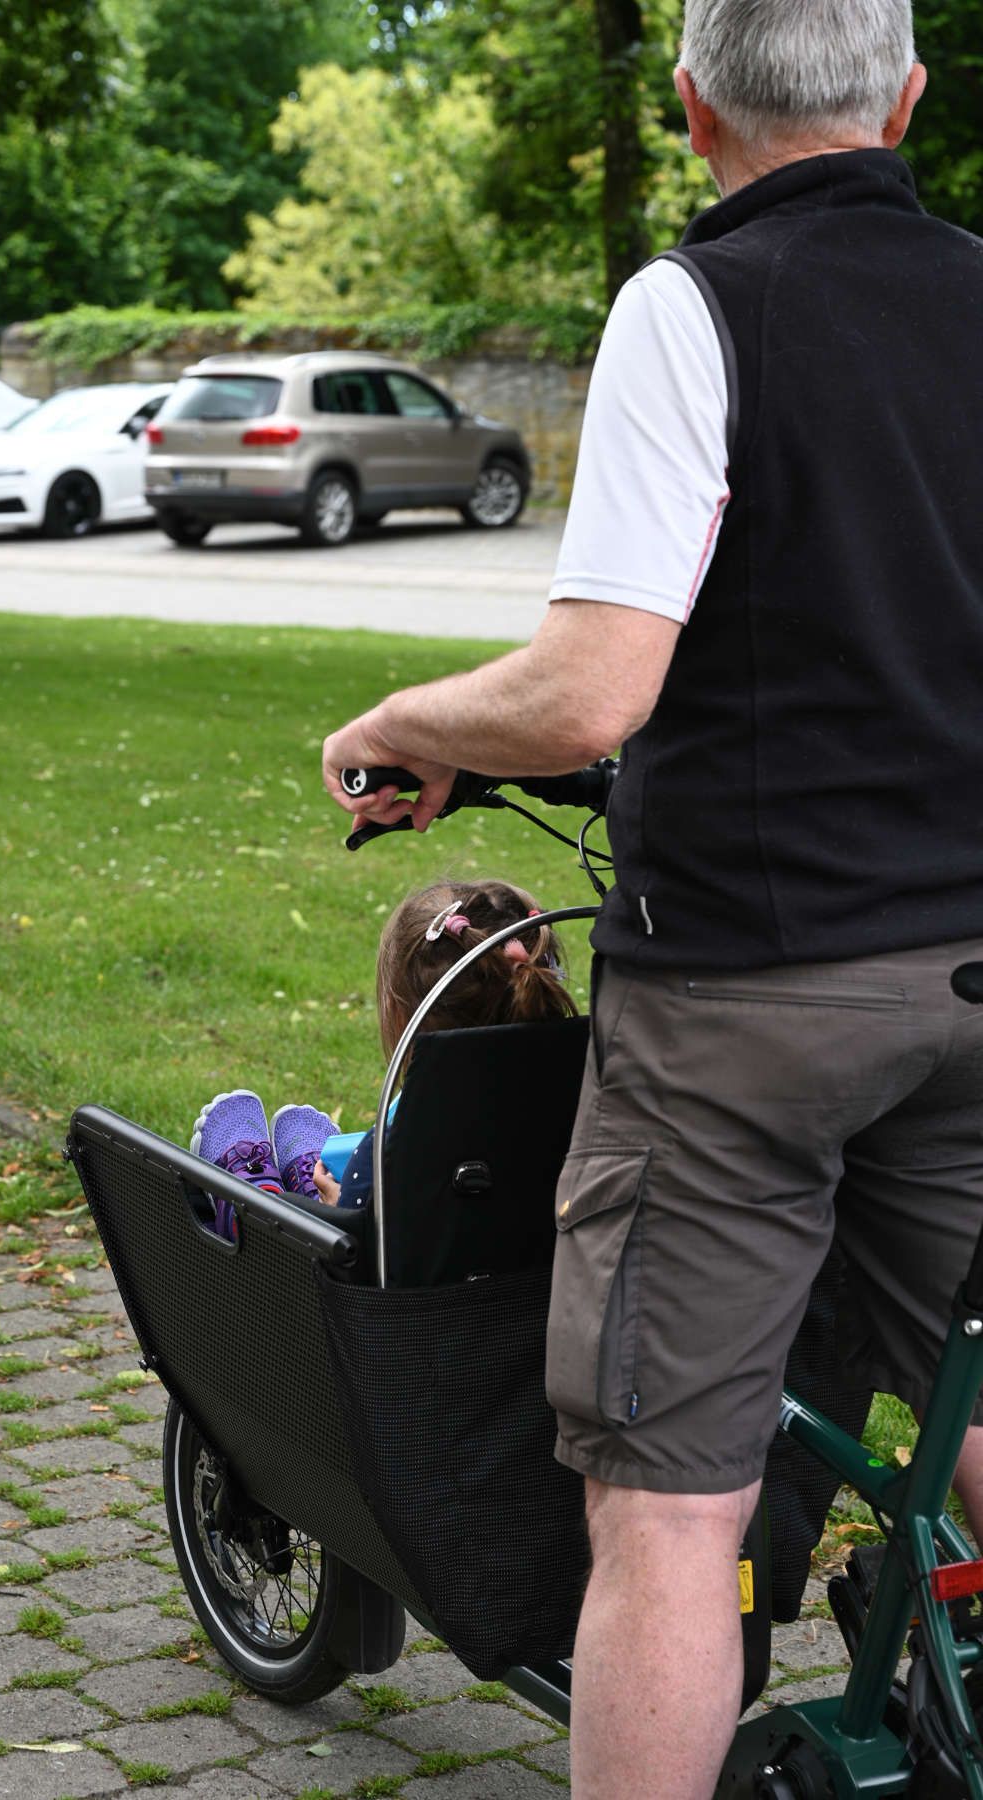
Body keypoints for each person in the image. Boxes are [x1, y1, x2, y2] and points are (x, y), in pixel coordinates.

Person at [321, 3, 983, 1793]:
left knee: (672, 1506)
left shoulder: (694, 307)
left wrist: (406, 721)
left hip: (752, 1003)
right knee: (975, 1403)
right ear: (907, 101)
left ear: (692, 110)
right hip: (975, 978)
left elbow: (590, 692)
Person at [190, 877, 575, 1235]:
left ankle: (256, 1211)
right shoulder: (588, 1109)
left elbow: (366, 1256)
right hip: (546, 1280)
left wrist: (342, 1210)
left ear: (401, 1016)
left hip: (391, 1286)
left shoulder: (388, 1159)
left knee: (319, 1218)